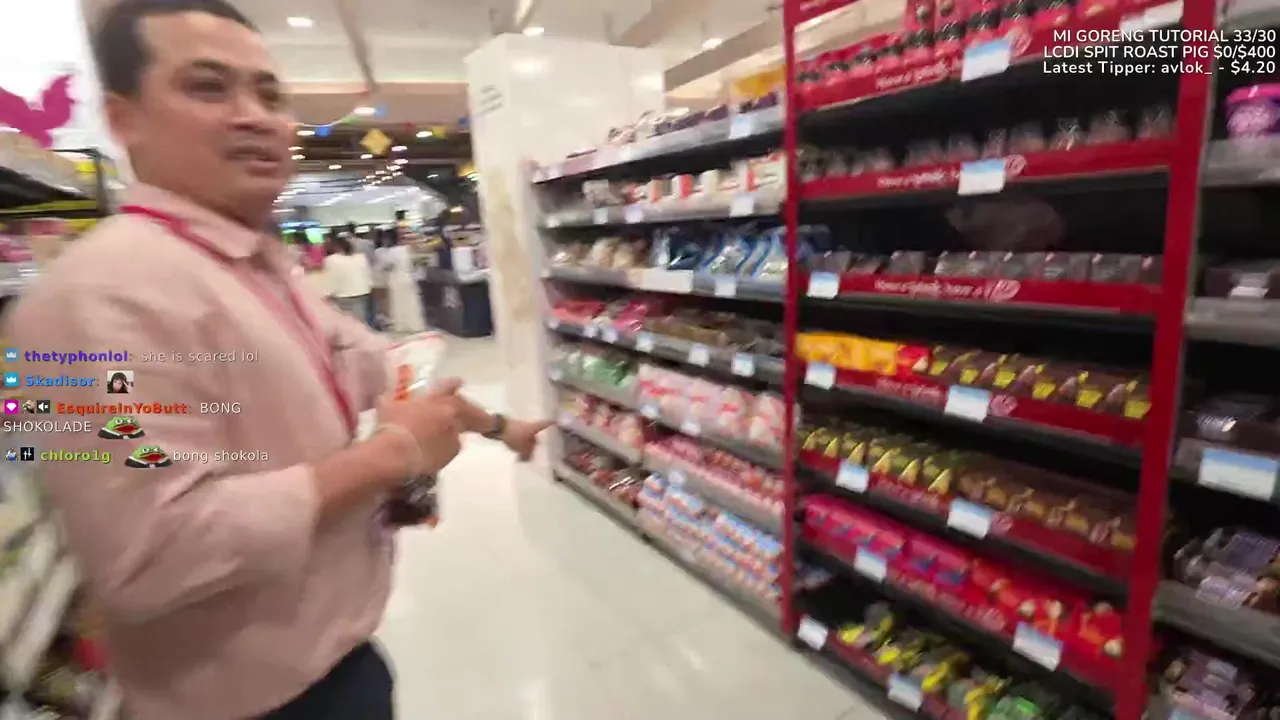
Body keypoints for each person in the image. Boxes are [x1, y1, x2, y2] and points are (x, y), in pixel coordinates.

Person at [3, 2, 550, 719]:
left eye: (269, 94)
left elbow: (385, 373)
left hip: (340, 663)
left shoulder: (259, 269)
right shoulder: (84, 302)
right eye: (208, 87)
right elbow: (148, 554)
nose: (254, 116)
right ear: (122, 117)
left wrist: (501, 427)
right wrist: (389, 456)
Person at [382, 225, 426, 334]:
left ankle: (401, 325)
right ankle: (415, 324)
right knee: (412, 301)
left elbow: (387, 266)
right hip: (409, 277)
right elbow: (418, 264)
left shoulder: (392, 251)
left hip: (396, 278)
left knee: (398, 302)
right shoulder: (411, 250)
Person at [324, 235, 374, 324]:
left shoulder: (331, 260)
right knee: (360, 322)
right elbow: (368, 274)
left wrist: (328, 293)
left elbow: (331, 278)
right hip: (361, 292)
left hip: (342, 295)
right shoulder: (361, 257)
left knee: (344, 323)